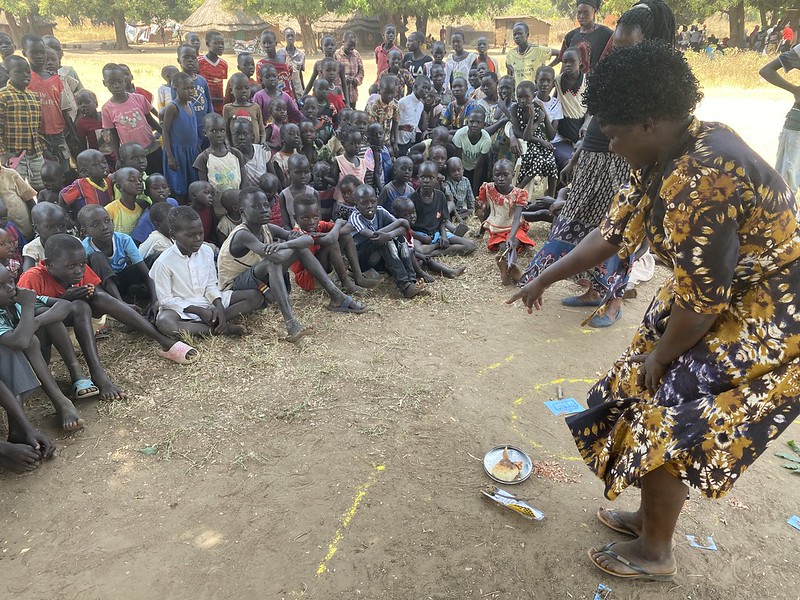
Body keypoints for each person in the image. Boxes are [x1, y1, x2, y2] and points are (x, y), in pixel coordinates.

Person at [509, 39, 800, 583]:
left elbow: (702, 303)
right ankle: (649, 517)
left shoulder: (702, 178)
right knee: (640, 392)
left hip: (766, 313)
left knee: (666, 411)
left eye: (616, 134)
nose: (612, 144)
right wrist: (543, 276)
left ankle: (656, 551)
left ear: (647, 123)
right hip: (715, 298)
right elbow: (611, 233)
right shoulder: (672, 149)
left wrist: (662, 357)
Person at [20, 233, 198, 365]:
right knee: (77, 305)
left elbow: (97, 293)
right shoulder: (32, 278)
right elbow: (25, 318)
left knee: (96, 296)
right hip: (51, 332)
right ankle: (92, 370)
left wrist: (87, 292)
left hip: (82, 322)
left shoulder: (78, 271)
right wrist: (63, 299)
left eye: (82, 264)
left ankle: (163, 341)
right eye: (71, 266)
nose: (79, 271)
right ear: (49, 264)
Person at [217, 188, 365, 342]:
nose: (264, 210)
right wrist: (290, 244)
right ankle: (291, 324)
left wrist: (283, 245)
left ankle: (336, 296)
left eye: (266, 205)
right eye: (256, 207)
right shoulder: (242, 234)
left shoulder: (267, 228)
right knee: (274, 262)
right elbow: (278, 257)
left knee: (298, 250)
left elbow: (307, 240)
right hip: (234, 288)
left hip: (254, 280)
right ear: (243, 212)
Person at [151, 206, 261, 338]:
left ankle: (217, 320)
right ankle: (218, 328)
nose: (197, 238)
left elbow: (210, 284)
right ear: (173, 235)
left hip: (208, 301)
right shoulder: (163, 262)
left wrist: (218, 306)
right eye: (190, 235)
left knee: (255, 296)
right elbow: (166, 300)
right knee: (164, 322)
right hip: (183, 308)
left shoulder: (206, 251)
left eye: (201, 233)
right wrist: (198, 310)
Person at [0, 266, 87, 431]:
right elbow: (20, 342)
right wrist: (27, 307)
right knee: (29, 339)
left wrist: (36, 322)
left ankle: (76, 377)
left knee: (48, 316)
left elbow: (64, 305)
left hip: (30, 363)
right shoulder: (21, 301)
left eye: (11, 281)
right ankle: (60, 401)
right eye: (0, 286)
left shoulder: (16, 297)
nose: (10, 288)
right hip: (9, 372)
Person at [290, 195, 375, 294]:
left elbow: (349, 226)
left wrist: (325, 233)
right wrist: (337, 224)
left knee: (346, 236)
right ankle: (346, 283)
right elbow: (330, 239)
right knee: (332, 244)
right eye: (305, 218)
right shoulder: (298, 235)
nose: (311, 222)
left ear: (319, 214)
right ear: (296, 218)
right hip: (308, 277)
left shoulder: (318, 226)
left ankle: (358, 276)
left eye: (315, 217)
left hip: (321, 267)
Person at [349, 184, 420, 298]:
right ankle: (405, 286)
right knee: (384, 241)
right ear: (356, 205)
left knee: (398, 238)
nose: (369, 206)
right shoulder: (355, 217)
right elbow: (374, 236)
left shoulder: (380, 211)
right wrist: (397, 223)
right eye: (364, 203)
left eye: (372, 201)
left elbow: (403, 229)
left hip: (382, 257)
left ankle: (412, 280)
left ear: (377, 200)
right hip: (363, 259)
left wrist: (390, 234)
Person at [79, 204, 155, 306]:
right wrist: (122, 305)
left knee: (154, 259)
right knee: (97, 256)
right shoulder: (84, 249)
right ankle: (120, 304)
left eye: (107, 221)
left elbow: (144, 272)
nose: (104, 227)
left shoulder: (124, 239)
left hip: (121, 279)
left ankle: (147, 295)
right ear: (85, 232)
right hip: (103, 286)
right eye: (95, 225)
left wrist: (155, 301)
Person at [22, 35, 75, 171]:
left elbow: (64, 109)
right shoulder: (25, 80)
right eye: (34, 53)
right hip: (36, 135)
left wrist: (73, 133)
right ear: (24, 53)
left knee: (64, 167)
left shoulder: (55, 79)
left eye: (42, 52)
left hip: (58, 133)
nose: (39, 56)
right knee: (44, 171)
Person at [476, 159, 534, 284]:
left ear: (513, 175)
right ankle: (509, 267)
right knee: (503, 245)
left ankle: (511, 266)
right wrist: (481, 231)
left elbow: (517, 217)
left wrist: (511, 236)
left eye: (505, 175)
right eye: (497, 175)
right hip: (497, 227)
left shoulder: (519, 193)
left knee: (515, 241)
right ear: (493, 176)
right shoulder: (488, 188)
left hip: (514, 226)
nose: (501, 178)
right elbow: (487, 211)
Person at [101, 63, 162, 174]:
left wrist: (164, 133)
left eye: (119, 81)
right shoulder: (107, 109)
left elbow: (150, 120)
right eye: (111, 82)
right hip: (131, 155)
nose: (116, 86)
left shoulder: (139, 99)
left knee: (157, 175)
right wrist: (118, 158)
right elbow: (113, 134)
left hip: (151, 147)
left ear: (124, 80)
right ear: (105, 83)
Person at [410, 161, 476, 257]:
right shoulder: (412, 198)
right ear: (417, 178)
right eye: (423, 177)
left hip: (437, 233)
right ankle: (436, 247)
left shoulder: (440, 196)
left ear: (436, 179)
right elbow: (408, 226)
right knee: (418, 250)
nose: (426, 180)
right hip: (419, 235)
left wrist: (444, 236)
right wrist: (423, 238)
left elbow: (442, 220)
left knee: (471, 245)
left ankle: (434, 253)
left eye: (431, 177)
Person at [759, 41, 800, 194]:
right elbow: (766, 70)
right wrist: (794, 89)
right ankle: (785, 217)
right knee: (786, 183)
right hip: (797, 126)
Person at [0, 55, 46, 190]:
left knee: (41, 186)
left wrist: (43, 148)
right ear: (8, 73)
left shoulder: (34, 97)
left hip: (35, 154)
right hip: (13, 155)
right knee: (17, 190)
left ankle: (41, 210)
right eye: (20, 72)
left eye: (28, 71)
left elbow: (37, 128)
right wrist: (2, 153)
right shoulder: (3, 96)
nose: (26, 75)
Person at [511, 80, 558, 197]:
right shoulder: (514, 109)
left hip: (539, 142)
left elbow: (549, 134)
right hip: (529, 143)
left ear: (534, 95)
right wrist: (541, 140)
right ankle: (519, 189)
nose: (522, 100)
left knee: (551, 162)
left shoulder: (538, 110)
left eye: (526, 97)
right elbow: (521, 134)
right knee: (539, 161)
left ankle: (550, 197)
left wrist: (541, 115)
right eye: (519, 97)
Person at [193, 113, 245, 219]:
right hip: (216, 210)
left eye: (222, 130)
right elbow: (203, 187)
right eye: (213, 131)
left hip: (238, 206)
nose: (219, 134)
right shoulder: (203, 158)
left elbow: (244, 180)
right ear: (205, 133)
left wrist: (241, 199)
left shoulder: (235, 154)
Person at [553, 0, 614, 72]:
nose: (581, 16)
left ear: (595, 12)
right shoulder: (570, 36)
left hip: (596, 81)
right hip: (573, 82)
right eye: (579, 13)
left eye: (586, 12)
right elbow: (564, 64)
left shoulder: (606, 34)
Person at [59, 149, 114, 222]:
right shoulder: (80, 185)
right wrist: (66, 216)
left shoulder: (108, 180)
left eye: (105, 162)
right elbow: (63, 195)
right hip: (90, 221)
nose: (104, 166)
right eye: (96, 164)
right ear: (84, 172)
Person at [173, 45, 214, 142]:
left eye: (193, 57)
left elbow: (209, 101)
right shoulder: (176, 82)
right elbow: (175, 104)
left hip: (203, 125)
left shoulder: (202, 80)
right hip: (188, 126)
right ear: (179, 60)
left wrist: (211, 120)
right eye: (186, 57)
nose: (190, 60)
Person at [553, 48, 588, 150]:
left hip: (581, 126)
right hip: (563, 127)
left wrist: (585, 125)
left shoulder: (587, 81)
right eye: (565, 62)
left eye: (572, 61)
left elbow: (591, 110)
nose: (568, 64)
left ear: (580, 61)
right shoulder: (558, 80)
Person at [452, 107, 491, 195]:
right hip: (463, 165)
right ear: (467, 122)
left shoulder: (486, 140)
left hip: (477, 167)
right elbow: (458, 160)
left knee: (476, 191)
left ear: (484, 125)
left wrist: (473, 192)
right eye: (472, 122)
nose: (474, 125)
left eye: (478, 122)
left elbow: (479, 167)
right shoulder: (460, 134)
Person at [131, 174, 178, 246]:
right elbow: (137, 242)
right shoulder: (147, 218)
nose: (161, 190)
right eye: (155, 188)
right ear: (147, 192)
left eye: (164, 187)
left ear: (169, 190)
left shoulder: (173, 202)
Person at [506, 22, 557, 86]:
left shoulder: (538, 50)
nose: (517, 37)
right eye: (514, 34)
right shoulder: (510, 54)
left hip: (535, 91)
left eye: (520, 34)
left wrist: (547, 68)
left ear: (527, 35)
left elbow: (560, 54)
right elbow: (510, 76)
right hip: (519, 93)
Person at [304, 35, 349, 106]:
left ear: (336, 47)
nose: (330, 47)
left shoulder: (339, 65)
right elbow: (311, 82)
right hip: (319, 98)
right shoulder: (318, 64)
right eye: (326, 45)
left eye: (332, 45)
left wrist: (347, 103)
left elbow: (344, 84)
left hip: (334, 97)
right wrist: (303, 96)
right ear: (321, 48)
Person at [278, 154, 318, 229]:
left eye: (306, 172)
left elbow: (318, 220)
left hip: (313, 233)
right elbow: (286, 224)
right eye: (298, 172)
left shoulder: (314, 193)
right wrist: (293, 236)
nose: (303, 176)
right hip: (293, 235)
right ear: (289, 172)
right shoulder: (284, 195)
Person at [398, 76, 433, 157]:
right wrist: (401, 127)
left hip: (411, 140)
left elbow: (422, 126)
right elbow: (392, 123)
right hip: (399, 141)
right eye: (424, 88)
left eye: (428, 89)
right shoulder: (403, 102)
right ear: (415, 87)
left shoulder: (421, 105)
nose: (426, 91)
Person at [256, 30, 295, 100]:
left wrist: (296, 99)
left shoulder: (286, 59)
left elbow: (291, 81)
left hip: (288, 97)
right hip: (272, 102)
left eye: (270, 43)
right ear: (261, 45)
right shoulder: (260, 65)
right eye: (264, 43)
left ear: (276, 43)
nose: (267, 46)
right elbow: (261, 86)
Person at [197, 30, 227, 114]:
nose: (220, 46)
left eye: (222, 44)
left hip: (219, 104)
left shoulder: (224, 64)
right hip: (203, 103)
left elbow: (221, 84)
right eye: (216, 43)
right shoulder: (199, 62)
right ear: (207, 44)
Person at [334, 31, 364, 108]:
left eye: (354, 45)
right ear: (343, 42)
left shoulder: (356, 54)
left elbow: (361, 71)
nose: (352, 47)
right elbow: (332, 74)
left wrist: (355, 80)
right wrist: (344, 79)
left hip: (352, 94)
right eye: (350, 45)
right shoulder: (336, 55)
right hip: (340, 95)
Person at [443, 156, 475, 221]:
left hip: (462, 210)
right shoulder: (447, 184)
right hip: (452, 211)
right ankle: (456, 218)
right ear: (449, 173)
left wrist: (472, 209)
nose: (457, 173)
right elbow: (449, 201)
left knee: (471, 211)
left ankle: (458, 218)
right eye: (453, 171)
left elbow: (470, 197)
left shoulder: (466, 181)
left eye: (459, 170)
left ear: (463, 169)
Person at [283, 28, 305, 99]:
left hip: (297, 90)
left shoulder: (301, 54)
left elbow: (300, 74)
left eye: (292, 36)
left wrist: (303, 91)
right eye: (288, 36)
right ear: (284, 37)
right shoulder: (280, 54)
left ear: (295, 37)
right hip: (284, 90)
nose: (290, 38)